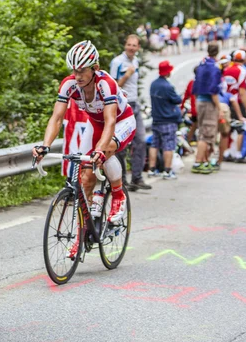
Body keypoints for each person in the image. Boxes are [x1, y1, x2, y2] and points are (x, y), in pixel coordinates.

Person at [33, 40, 136, 255]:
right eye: (74, 70)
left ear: (95, 68)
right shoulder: (69, 85)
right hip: (95, 124)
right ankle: (82, 234)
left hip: (121, 122)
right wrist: (45, 145)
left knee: (104, 152)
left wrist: (100, 150)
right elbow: (57, 117)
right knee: (85, 177)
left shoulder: (106, 84)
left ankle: (118, 195)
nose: (77, 76)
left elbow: (110, 122)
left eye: (82, 71)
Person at [110, 35, 151, 191]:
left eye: (134, 45)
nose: (131, 48)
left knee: (140, 140)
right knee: (121, 144)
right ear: (125, 45)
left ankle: (137, 178)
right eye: (129, 45)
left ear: (138, 47)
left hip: (135, 104)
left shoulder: (135, 61)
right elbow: (112, 88)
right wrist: (126, 75)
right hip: (122, 106)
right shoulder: (117, 62)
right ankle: (121, 180)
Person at [148, 61, 182, 179]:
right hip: (168, 120)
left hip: (156, 119)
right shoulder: (168, 86)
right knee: (169, 146)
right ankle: (167, 171)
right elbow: (177, 100)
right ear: (167, 71)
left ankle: (152, 169)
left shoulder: (153, 84)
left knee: (154, 144)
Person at [191, 42, 222, 174]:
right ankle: (198, 162)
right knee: (207, 133)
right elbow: (213, 90)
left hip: (199, 100)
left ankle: (203, 160)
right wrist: (219, 107)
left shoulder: (201, 65)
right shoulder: (215, 67)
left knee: (202, 130)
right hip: (209, 101)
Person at [223, 49, 246, 163]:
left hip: (225, 101)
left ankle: (226, 152)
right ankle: (238, 155)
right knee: (241, 127)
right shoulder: (242, 71)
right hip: (237, 102)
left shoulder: (226, 69)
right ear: (243, 59)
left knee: (227, 128)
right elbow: (242, 91)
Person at [181, 66, 198, 144]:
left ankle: (187, 142)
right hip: (202, 109)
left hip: (194, 110)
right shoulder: (203, 83)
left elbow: (185, 96)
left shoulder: (191, 83)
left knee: (194, 126)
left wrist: (181, 107)